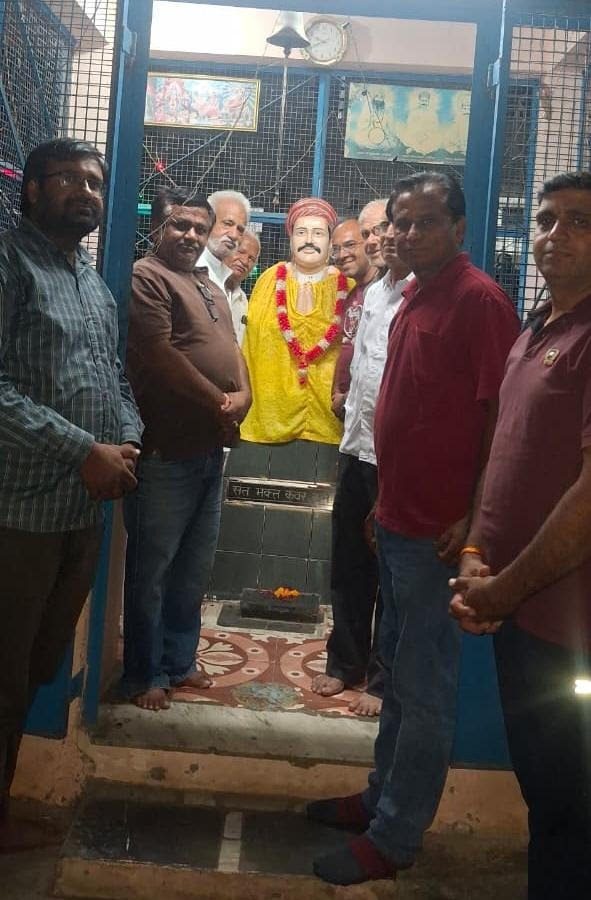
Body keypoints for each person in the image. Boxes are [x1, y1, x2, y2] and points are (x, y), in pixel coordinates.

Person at [309, 172, 520, 885]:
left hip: (438, 536)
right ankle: (380, 798)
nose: (406, 233)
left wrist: (472, 520)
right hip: (397, 519)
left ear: (458, 228)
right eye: (399, 221)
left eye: (425, 222)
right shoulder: (409, 295)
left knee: (424, 691)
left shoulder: (478, 302)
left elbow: (500, 421)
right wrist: (382, 502)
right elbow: (406, 413)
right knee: (396, 677)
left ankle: (395, 837)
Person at [449, 171, 591, 900]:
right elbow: (503, 454)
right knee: (548, 797)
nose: (555, 235)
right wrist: (477, 552)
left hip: (571, 628)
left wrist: (503, 589)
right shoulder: (535, 328)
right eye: (545, 219)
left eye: (579, 221)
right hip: (519, 613)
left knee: (575, 810)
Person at [0, 138, 142, 851]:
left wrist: (128, 438)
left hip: (80, 515)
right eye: (69, 180)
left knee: (33, 666)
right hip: (16, 513)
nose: (86, 192)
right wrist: (82, 449)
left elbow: (111, 377)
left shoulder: (91, 282)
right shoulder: (9, 262)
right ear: (31, 189)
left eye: (95, 182)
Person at [122, 187, 251, 712]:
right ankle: (144, 673)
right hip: (164, 453)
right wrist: (221, 401)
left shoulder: (207, 282)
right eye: (180, 225)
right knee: (151, 572)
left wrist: (245, 394)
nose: (192, 235)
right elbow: (159, 354)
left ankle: (179, 661)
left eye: (200, 227)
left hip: (207, 451)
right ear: (157, 226)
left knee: (192, 570)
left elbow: (231, 349)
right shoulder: (146, 277)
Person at [312, 216, 413, 718]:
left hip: (396, 457)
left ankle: (381, 679)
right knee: (349, 564)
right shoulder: (373, 294)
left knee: (391, 574)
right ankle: (344, 663)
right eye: (372, 233)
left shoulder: (421, 294)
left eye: (386, 229)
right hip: (355, 448)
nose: (379, 240)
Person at [241, 198, 354, 445]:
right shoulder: (270, 279)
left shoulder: (348, 284)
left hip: (330, 420)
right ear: (291, 238)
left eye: (318, 233)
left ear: (330, 241)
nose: (309, 240)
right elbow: (252, 345)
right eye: (301, 232)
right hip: (270, 418)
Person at [329, 218, 380, 421]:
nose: (342, 255)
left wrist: (349, 397)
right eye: (336, 249)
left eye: (350, 245)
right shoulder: (351, 295)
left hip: (370, 410)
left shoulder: (382, 292)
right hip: (349, 410)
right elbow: (347, 346)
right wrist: (337, 391)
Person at [200, 189, 251, 335]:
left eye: (240, 229)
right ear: (208, 221)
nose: (234, 235)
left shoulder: (227, 279)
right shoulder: (187, 270)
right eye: (227, 223)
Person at [224, 229, 261, 344]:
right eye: (240, 251)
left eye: (251, 259)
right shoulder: (200, 287)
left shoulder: (243, 301)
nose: (245, 261)